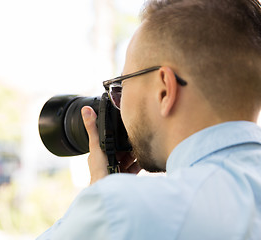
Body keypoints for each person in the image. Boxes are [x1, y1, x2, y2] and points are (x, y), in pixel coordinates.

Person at [37, 0, 261, 239]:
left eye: (121, 85)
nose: (117, 105)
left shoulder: (124, 210)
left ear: (164, 90)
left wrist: (100, 197)